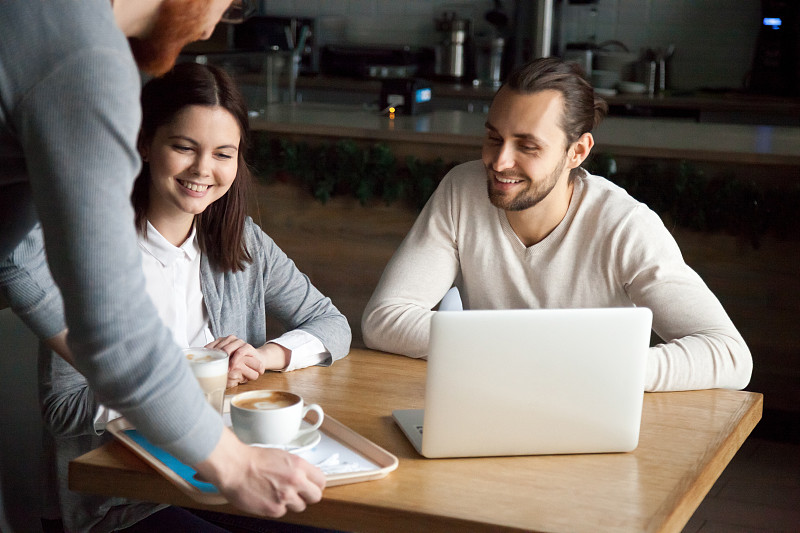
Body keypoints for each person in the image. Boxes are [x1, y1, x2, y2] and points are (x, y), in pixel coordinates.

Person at [0, 0, 326, 521]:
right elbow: (110, 331)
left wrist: (263, 359)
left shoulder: (48, 24)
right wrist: (235, 465)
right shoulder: (88, 60)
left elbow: (17, 262)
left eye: (224, 152)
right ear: (146, 145)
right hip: (126, 500)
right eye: (229, 3)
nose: (219, 21)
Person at [361, 57, 752, 392]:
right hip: (493, 400)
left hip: (592, 412)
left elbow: (730, 354)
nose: (499, 162)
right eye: (494, 138)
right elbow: (384, 319)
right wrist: (531, 351)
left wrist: (594, 369)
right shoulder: (462, 190)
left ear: (577, 152)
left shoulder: (624, 225)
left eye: (527, 147)